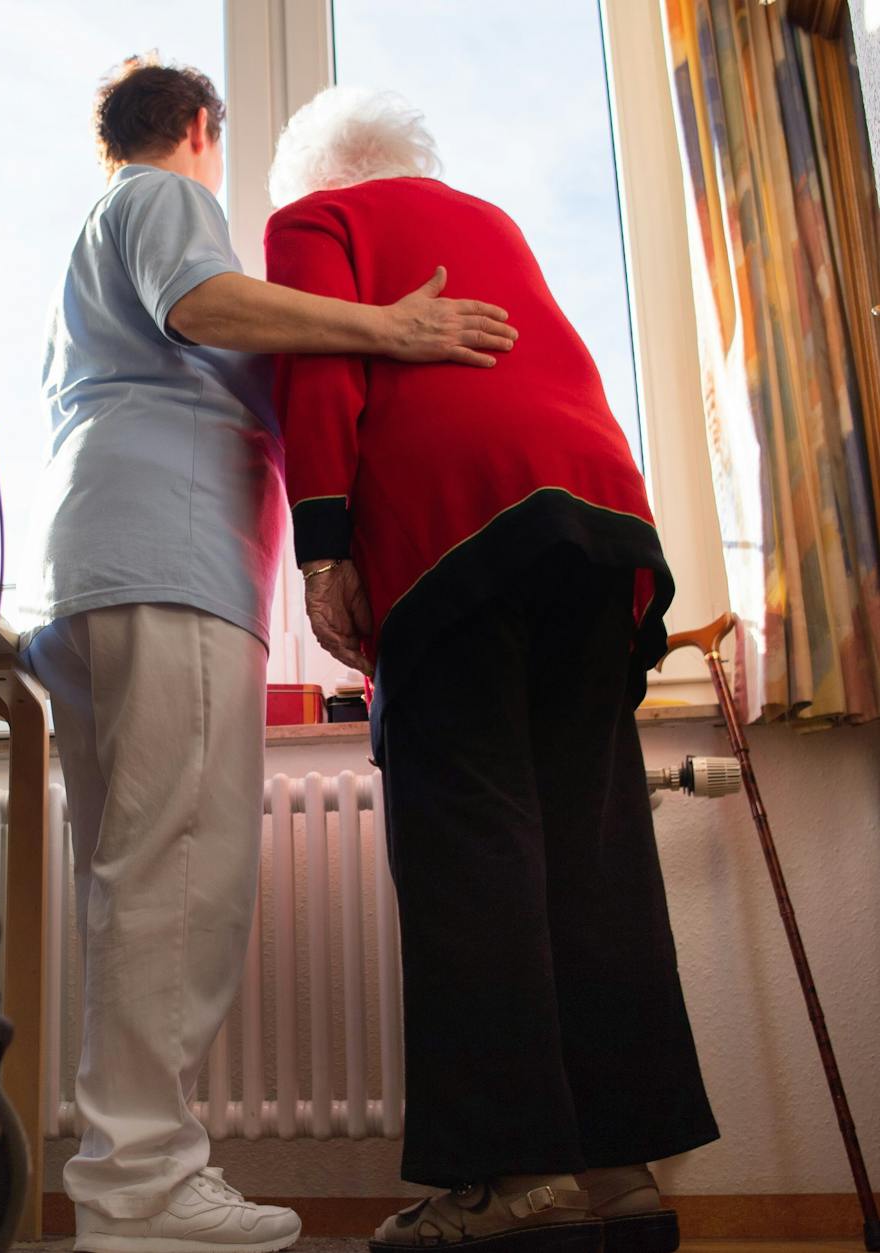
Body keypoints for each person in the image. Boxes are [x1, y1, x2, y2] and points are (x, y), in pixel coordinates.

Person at [19, 59, 518, 1253]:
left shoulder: (94, 238)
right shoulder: (162, 199)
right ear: (200, 127)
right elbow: (207, 306)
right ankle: (141, 1187)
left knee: (135, 877)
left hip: (97, 562)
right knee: (181, 874)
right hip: (164, 559)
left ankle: (123, 1176)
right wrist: (388, 325)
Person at [262, 86, 718, 1253]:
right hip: (596, 518)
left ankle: (513, 1176)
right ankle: (618, 1166)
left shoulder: (316, 224)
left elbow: (319, 374)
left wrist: (321, 550)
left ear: (311, 172)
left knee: (469, 844)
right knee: (589, 839)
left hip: (455, 526)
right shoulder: (489, 220)